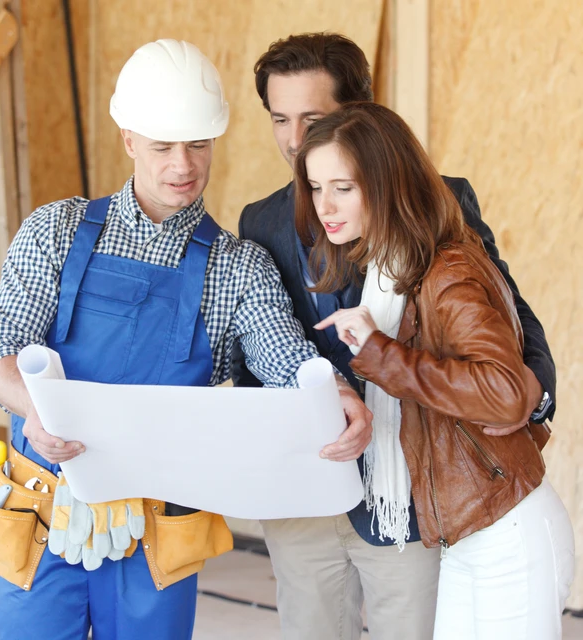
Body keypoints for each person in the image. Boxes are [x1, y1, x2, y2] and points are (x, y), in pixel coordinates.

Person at [0, 39, 373, 640]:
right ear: (128, 140)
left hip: (157, 530)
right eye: (162, 146)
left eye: (198, 145)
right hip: (45, 514)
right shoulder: (54, 230)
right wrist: (32, 414)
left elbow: (288, 358)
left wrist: (333, 392)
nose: (183, 165)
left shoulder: (238, 267)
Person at [231, 33, 558, 639]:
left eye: (314, 118)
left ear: (360, 117)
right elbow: (260, 345)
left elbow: (507, 313)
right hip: (307, 487)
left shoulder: (440, 201)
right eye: (280, 118)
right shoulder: (261, 220)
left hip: (403, 487)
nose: (296, 139)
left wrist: (528, 397)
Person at [301, 100, 575, 639]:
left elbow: (504, 394)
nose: (324, 206)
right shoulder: (391, 269)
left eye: (344, 187)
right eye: (316, 187)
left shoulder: (446, 270)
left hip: (507, 536)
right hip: (466, 535)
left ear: (387, 183)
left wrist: (381, 353)